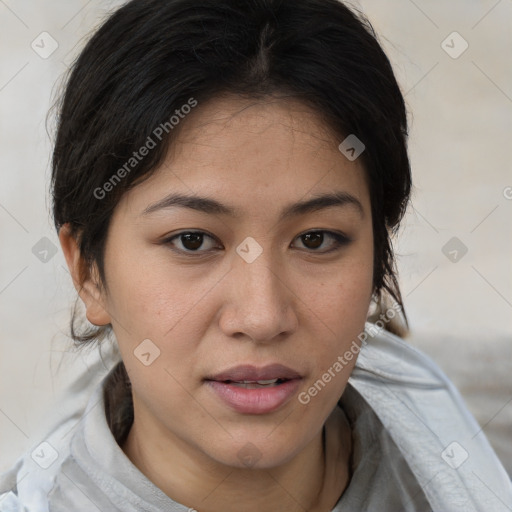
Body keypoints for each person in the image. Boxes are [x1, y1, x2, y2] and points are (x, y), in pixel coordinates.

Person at [1, 0, 511, 510]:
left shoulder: (481, 464)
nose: (263, 317)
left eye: (316, 239)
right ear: (88, 271)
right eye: (193, 241)